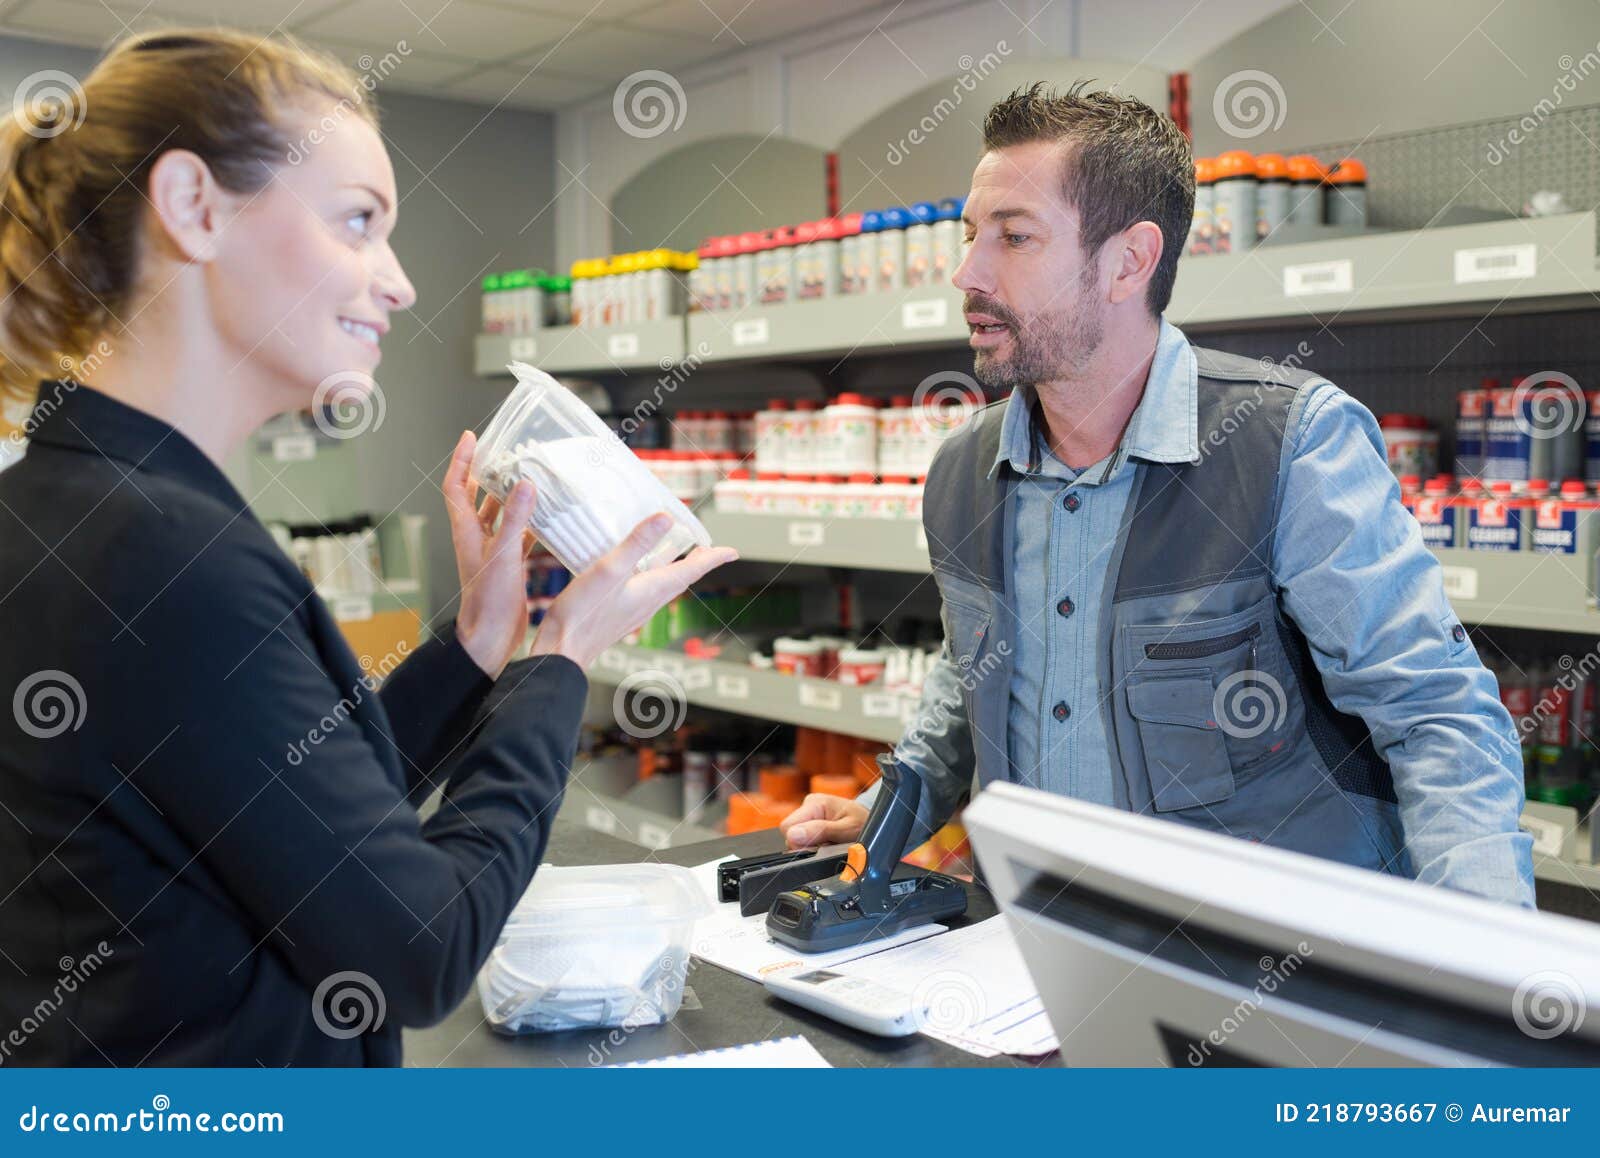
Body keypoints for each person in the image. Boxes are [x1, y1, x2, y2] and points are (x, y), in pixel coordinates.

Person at [0, 29, 735, 1066]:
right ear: (194, 207)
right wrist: (560, 660)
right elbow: (421, 949)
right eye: (358, 223)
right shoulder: (163, 557)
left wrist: (476, 648)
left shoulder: (74, 507)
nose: (398, 283)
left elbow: (304, 822)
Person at [781, 82, 1534, 908]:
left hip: (1260, 957)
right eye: (971, 236)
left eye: (1014, 238)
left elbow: (1434, 715)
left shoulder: (1287, 445)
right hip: (1027, 948)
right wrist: (897, 803)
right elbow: (977, 674)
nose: (968, 273)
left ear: (1129, 261)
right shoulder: (964, 472)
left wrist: (1488, 949)